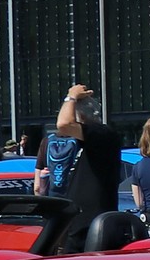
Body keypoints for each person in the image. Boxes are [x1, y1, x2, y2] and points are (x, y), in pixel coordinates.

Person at [50, 84, 126, 226]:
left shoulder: (103, 134)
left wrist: (71, 97)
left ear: (80, 116)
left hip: (92, 222)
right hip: (78, 221)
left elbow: (64, 124)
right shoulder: (87, 141)